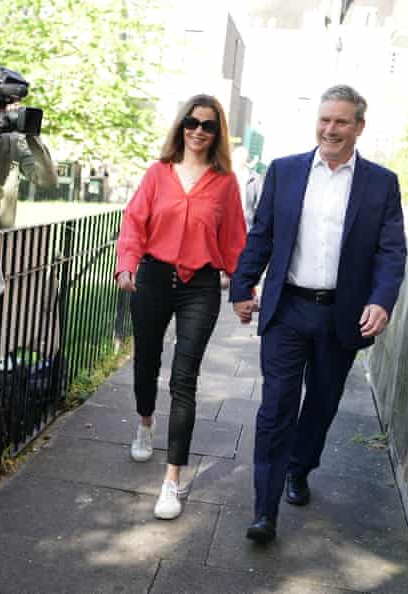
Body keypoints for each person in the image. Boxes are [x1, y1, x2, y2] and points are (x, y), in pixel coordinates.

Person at [229, 84, 407, 544]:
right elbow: (262, 235)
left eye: (341, 121)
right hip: (288, 308)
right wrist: (242, 284)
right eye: (325, 119)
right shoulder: (285, 172)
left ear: (359, 127)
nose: (330, 129)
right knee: (276, 407)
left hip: (340, 316)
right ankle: (264, 511)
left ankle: (300, 466)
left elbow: (391, 252)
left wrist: (381, 299)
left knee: (322, 402)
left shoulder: (381, 183)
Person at [116, 94, 246, 520]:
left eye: (208, 125)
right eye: (192, 122)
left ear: (217, 133)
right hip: (154, 278)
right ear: (181, 125)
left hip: (201, 287)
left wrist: (243, 289)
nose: (198, 131)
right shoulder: (158, 174)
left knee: (185, 379)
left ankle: (171, 480)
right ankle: (145, 422)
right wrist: (126, 265)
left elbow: (235, 240)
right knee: (146, 364)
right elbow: (134, 222)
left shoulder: (225, 183)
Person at [233, 145, 261, 228]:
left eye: (242, 156)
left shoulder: (255, 178)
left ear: (246, 158)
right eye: (237, 156)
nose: (239, 159)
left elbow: (260, 203)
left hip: (246, 225)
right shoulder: (224, 175)